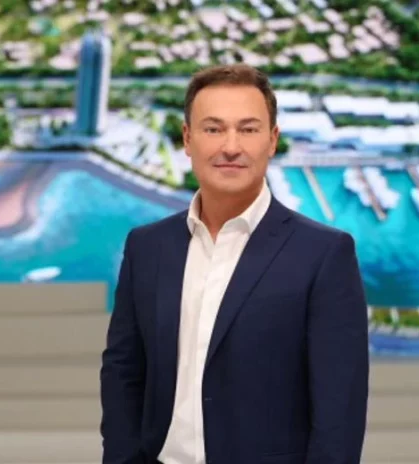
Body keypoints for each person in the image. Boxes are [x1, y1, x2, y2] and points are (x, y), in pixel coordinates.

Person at [100, 63, 369, 464]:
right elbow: (124, 371)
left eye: (248, 129)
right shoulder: (148, 247)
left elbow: (339, 410)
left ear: (272, 140)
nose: (230, 146)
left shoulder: (324, 254)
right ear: (187, 139)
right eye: (213, 129)